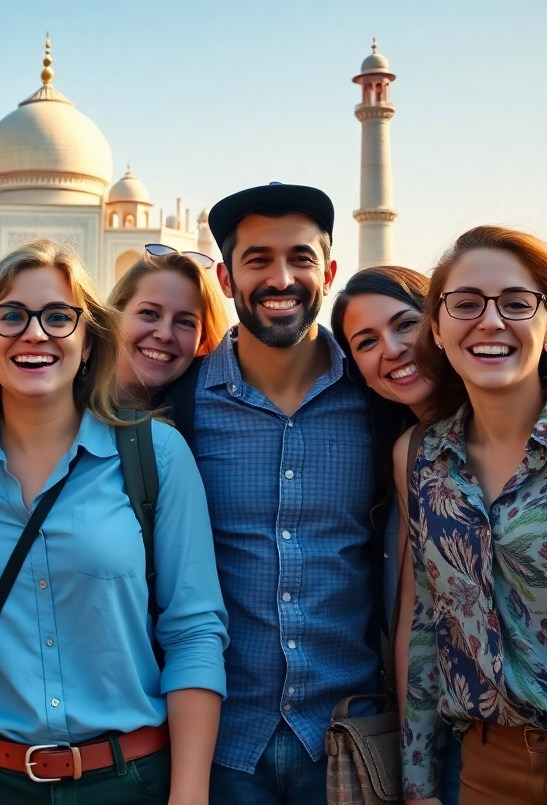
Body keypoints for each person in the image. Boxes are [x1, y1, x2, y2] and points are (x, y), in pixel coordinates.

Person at [0, 239, 228, 804]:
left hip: (129, 780)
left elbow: (194, 629)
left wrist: (190, 792)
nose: (35, 334)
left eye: (58, 317)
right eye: (10, 316)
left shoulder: (155, 453)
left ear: (87, 340)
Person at [179, 181, 378, 804]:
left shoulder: (377, 403)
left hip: (352, 740)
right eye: (258, 259)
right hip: (220, 746)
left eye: (301, 258)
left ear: (331, 271)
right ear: (226, 278)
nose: (281, 277)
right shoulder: (178, 410)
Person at [401, 226, 547, 805]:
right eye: (465, 304)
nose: (490, 321)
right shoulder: (430, 462)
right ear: (436, 328)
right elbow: (428, 625)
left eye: (516, 302)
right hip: (488, 767)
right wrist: (417, 783)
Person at [331, 267, 462, 805]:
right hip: (460, 743)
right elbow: (417, 621)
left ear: (437, 323)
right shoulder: (408, 452)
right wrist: (418, 778)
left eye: (404, 324)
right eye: (366, 342)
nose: (391, 349)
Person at [108, 246, 228, 409]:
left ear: (202, 339)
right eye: (149, 313)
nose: (165, 334)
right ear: (115, 314)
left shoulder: (203, 423)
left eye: (185, 322)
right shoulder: (67, 404)